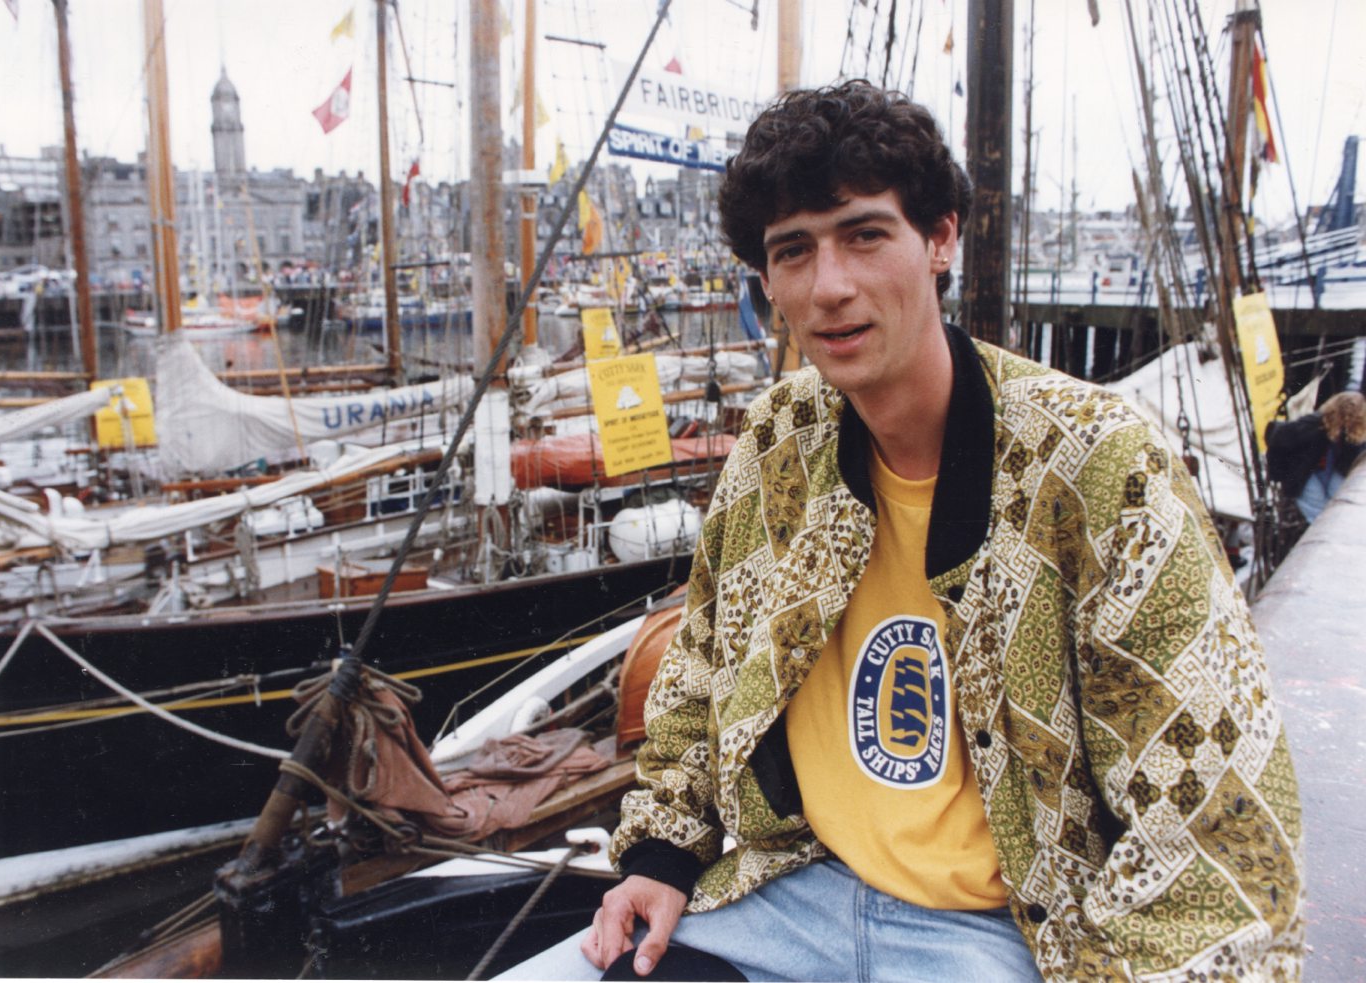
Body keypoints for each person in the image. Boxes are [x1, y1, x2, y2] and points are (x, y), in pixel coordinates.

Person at [501, 81, 1303, 982]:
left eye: (865, 234)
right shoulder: (774, 448)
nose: (830, 285)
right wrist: (659, 854)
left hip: (1001, 932)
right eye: (794, 251)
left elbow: (1215, 823)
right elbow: (696, 680)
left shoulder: (1099, 468)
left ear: (940, 239)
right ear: (768, 282)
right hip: (791, 888)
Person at [1266, 390, 1366, 523]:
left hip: (1327, 469)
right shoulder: (1313, 425)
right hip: (1304, 473)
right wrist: (1279, 474)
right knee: (1320, 515)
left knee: (1337, 505)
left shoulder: (1350, 434)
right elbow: (1279, 437)